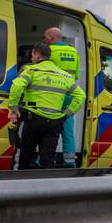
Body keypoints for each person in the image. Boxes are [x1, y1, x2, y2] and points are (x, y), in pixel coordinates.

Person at [8, 43, 84, 170]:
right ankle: (47, 187)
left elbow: (16, 86)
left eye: (32, 54)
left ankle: (19, 185)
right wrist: (67, 114)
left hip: (33, 120)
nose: (31, 57)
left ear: (37, 55)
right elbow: (81, 96)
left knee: (24, 157)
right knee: (47, 160)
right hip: (54, 123)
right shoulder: (64, 75)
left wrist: (14, 108)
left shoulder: (31, 70)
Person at [44, 27, 81, 167]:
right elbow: (76, 75)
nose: (44, 40)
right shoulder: (74, 52)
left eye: (45, 37)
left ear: (50, 37)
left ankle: (40, 159)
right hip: (69, 95)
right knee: (68, 130)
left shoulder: (50, 51)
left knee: (47, 129)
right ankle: (70, 162)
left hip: (53, 95)